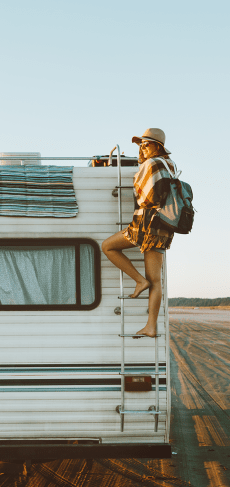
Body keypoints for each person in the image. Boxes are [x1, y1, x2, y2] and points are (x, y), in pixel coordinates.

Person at [102, 128, 176, 337]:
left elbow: (145, 196)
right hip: (163, 228)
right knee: (156, 280)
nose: (142, 148)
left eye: (147, 144)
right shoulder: (170, 166)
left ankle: (138, 280)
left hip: (146, 225)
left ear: (158, 147)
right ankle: (151, 326)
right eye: (141, 145)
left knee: (107, 246)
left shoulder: (151, 165)